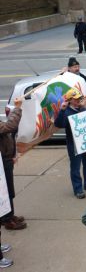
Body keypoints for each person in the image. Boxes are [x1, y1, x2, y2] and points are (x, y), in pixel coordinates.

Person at [54, 88, 86, 199]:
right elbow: (59, 124)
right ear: (69, 100)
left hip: (85, 142)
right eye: (76, 99)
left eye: (79, 98)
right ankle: (78, 189)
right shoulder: (66, 111)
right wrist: (62, 111)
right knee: (75, 167)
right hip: (74, 145)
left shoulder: (83, 109)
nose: (79, 100)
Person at [0, 98, 27, 231]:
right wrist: (17, 108)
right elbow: (9, 126)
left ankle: (9, 215)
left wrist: (12, 154)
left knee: (8, 189)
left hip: (5, 159)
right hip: (2, 162)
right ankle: (6, 219)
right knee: (5, 190)